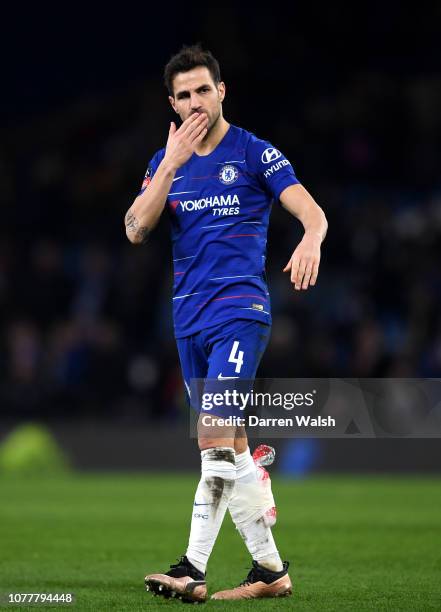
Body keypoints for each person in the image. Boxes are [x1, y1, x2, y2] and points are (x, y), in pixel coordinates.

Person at [124, 44, 327, 602]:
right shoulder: (163, 163)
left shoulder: (254, 153)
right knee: (228, 445)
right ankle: (269, 572)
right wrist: (168, 163)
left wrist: (311, 237)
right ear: (173, 101)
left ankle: (191, 568)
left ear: (221, 91)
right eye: (183, 95)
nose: (195, 103)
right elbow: (135, 229)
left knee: (213, 435)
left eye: (203, 91)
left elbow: (311, 210)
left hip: (240, 313)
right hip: (187, 320)